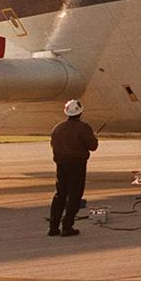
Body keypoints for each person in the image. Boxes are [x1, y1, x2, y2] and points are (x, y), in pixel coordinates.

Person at [49, 99, 98, 237]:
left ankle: (53, 227)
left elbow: (53, 145)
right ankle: (67, 226)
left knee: (60, 194)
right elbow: (93, 146)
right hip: (77, 165)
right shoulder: (83, 127)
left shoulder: (58, 128)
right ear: (80, 112)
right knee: (75, 195)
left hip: (61, 165)